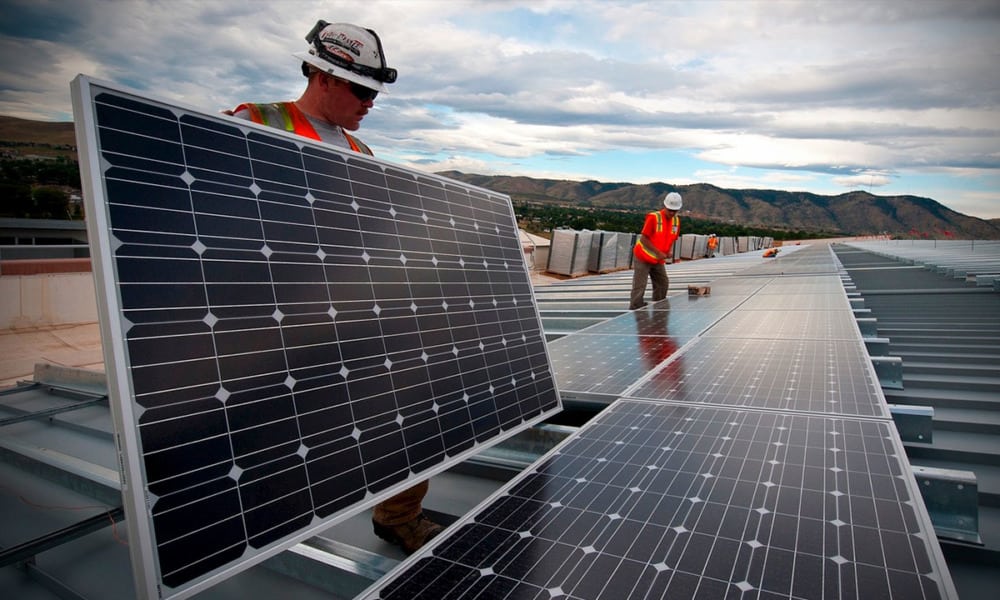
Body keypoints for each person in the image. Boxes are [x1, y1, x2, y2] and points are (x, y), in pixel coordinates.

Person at [229, 20, 442, 555]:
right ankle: (249, 525)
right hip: (270, 315)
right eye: (362, 89)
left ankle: (398, 514)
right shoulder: (253, 122)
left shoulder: (361, 153)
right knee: (274, 430)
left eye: (375, 92)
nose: (371, 102)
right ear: (323, 76)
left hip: (343, 310)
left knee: (417, 395)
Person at [629, 192, 682, 310]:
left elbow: (671, 239)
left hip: (658, 259)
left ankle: (658, 307)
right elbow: (643, 239)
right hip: (643, 256)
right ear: (665, 206)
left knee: (663, 283)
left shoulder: (676, 222)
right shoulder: (654, 217)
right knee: (640, 285)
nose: (672, 213)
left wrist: (668, 252)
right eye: (670, 210)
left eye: (675, 211)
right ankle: (635, 309)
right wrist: (658, 252)